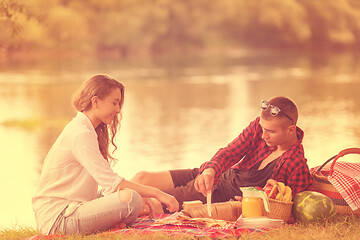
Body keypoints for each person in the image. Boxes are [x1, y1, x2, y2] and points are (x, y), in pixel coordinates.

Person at [32, 74, 179, 235]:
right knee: (131, 199)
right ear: (95, 101)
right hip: (59, 219)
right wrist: (158, 193)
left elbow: (108, 186)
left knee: (128, 195)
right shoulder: (80, 133)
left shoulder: (86, 130)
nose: (118, 110)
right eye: (114, 103)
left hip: (72, 209)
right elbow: (112, 182)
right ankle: (112, 223)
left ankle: (111, 224)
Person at [132, 96, 313, 211]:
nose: (263, 135)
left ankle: (107, 211)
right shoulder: (260, 127)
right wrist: (210, 171)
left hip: (215, 194)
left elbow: (287, 208)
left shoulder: (295, 164)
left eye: (271, 132)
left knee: (148, 203)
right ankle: (106, 201)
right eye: (262, 128)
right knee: (142, 178)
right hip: (213, 175)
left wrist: (248, 203)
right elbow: (229, 153)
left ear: (291, 130)